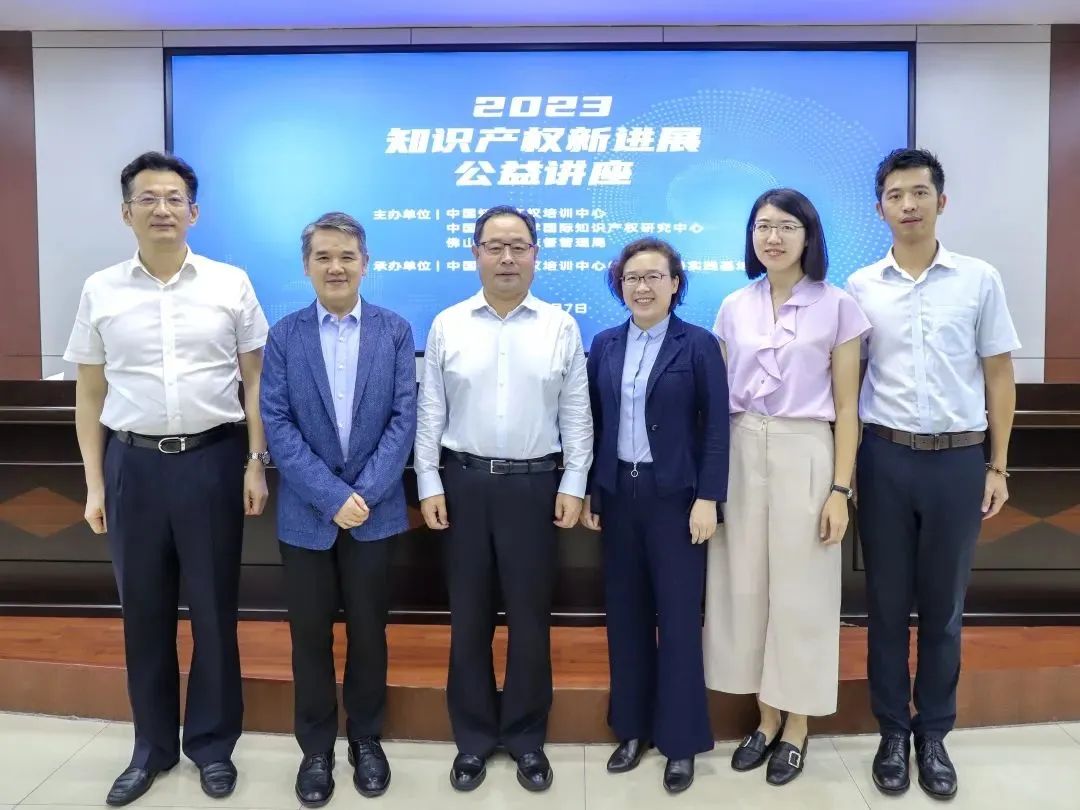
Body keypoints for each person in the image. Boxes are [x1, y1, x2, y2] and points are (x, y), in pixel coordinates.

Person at [63, 151, 269, 806]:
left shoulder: (230, 283)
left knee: (214, 612)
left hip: (213, 460)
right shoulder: (101, 289)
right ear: (126, 213)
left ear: (194, 212)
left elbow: (256, 380)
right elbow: (89, 392)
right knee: (143, 616)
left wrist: (255, 461)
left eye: (174, 198)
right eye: (148, 198)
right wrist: (95, 483)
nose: (162, 209)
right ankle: (150, 749)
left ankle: (212, 747)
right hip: (133, 465)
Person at [846, 149, 1018, 801]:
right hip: (884, 459)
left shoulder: (979, 279)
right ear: (880, 208)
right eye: (896, 195)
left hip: (957, 461)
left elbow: (998, 374)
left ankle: (934, 734)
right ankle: (893, 731)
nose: (909, 204)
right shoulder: (861, 287)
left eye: (919, 192)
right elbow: (849, 382)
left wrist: (998, 463)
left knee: (944, 610)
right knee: (886, 607)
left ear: (941, 202)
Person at [414, 205, 593, 793]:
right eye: (495, 246)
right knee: (468, 619)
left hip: (534, 486)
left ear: (536, 255)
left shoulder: (560, 326)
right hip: (463, 484)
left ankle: (525, 738)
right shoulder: (448, 324)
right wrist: (429, 481)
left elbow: (576, 412)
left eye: (519, 246)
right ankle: (472, 739)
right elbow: (430, 411)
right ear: (476, 254)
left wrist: (573, 482)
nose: (507, 257)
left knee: (529, 619)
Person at [703, 188, 870, 786]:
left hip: (807, 448)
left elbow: (847, 408)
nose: (772, 237)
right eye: (763, 226)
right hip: (742, 447)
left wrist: (840, 491)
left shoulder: (839, 306)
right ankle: (765, 717)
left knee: (803, 592)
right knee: (745, 585)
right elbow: (718, 401)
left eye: (786, 227)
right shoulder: (733, 306)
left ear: (809, 235)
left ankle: (797, 725)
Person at [260, 212, 416, 806]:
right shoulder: (285, 335)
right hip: (307, 515)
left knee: (370, 632)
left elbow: (403, 419)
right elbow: (277, 422)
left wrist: (363, 495)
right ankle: (317, 749)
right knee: (309, 636)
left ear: (365, 263)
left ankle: (366, 739)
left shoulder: (395, 331)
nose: (336, 267)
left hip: (375, 514)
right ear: (307, 266)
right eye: (323, 257)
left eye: (347, 256)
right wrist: (332, 497)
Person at [581, 238, 728, 793]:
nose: (641, 287)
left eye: (653, 277)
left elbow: (716, 428)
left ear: (675, 284)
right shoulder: (605, 344)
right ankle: (632, 729)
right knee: (626, 618)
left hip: (677, 502)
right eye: (631, 278)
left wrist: (708, 498)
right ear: (619, 286)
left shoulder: (699, 345)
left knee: (679, 622)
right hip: (621, 495)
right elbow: (595, 423)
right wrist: (595, 492)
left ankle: (681, 741)